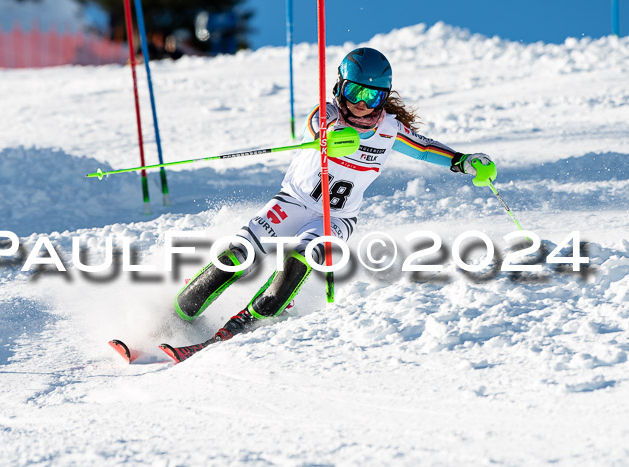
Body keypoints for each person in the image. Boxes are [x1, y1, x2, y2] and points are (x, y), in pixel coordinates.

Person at [160, 47, 497, 362]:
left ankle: (243, 324)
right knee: (238, 257)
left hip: (335, 218)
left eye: (372, 95)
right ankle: (177, 314)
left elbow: (424, 148)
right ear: (341, 88)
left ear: (384, 96)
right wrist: (327, 136)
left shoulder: (390, 130)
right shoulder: (331, 113)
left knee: (300, 259)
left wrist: (463, 161)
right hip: (292, 202)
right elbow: (314, 122)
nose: (362, 104)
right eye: (355, 92)